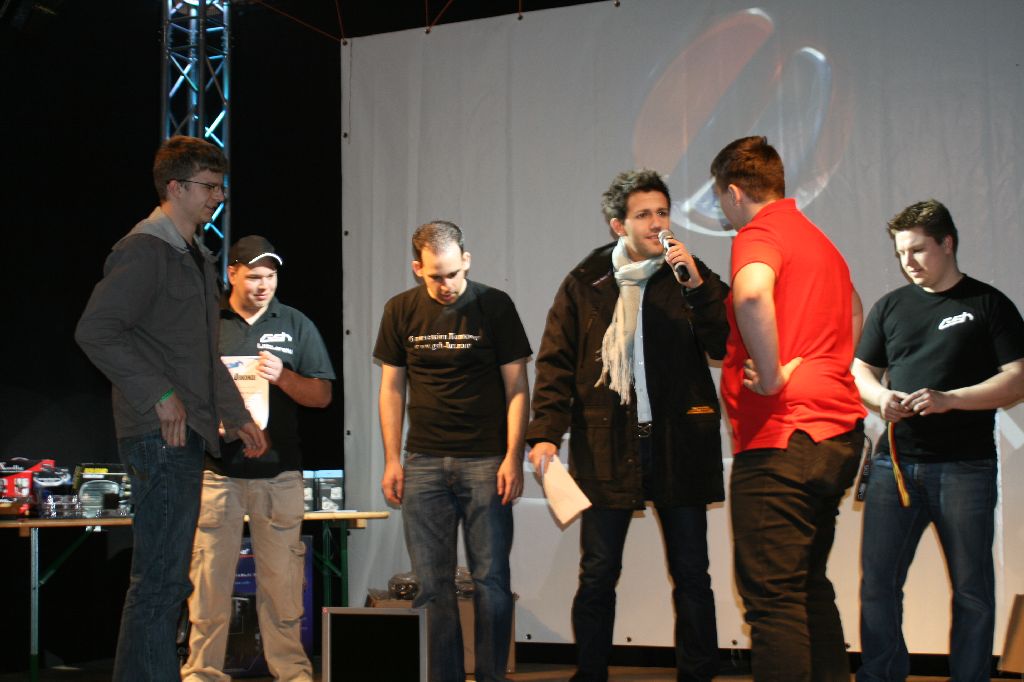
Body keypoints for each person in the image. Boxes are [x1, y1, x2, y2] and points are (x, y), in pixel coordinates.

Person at [75, 135, 267, 682]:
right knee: (160, 580)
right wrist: (158, 394)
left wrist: (239, 416)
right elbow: (96, 331)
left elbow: (202, 356)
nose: (219, 197)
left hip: (186, 438)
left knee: (166, 580)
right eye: (209, 187)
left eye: (221, 187)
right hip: (158, 436)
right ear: (176, 187)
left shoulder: (194, 256)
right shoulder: (145, 250)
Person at [526, 169, 728, 682]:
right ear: (619, 225)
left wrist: (697, 286)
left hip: (678, 441)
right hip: (608, 443)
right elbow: (556, 362)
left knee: (692, 572)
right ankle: (590, 673)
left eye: (663, 212)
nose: (657, 223)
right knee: (598, 572)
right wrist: (544, 432)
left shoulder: (689, 273)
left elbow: (723, 343)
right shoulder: (586, 281)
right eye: (644, 215)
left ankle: (699, 674)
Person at [711, 136, 866, 682]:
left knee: (772, 598)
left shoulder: (759, 234)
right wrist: (823, 363)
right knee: (805, 586)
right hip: (835, 434)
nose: (723, 211)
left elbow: (751, 294)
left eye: (720, 198)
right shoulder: (819, 241)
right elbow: (854, 311)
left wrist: (774, 373)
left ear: (734, 192)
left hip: (783, 438)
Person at [852, 199, 1024, 682]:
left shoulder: (988, 304)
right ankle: (882, 675)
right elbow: (861, 369)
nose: (907, 262)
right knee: (878, 585)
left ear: (947, 243)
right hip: (894, 467)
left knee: (972, 591)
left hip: (965, 468)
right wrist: (880, 397)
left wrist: (952, 399)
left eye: (917, 250)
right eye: (900, 253)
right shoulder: (891, 306)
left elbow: (1017, 379)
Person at [374, 221, 532, 682]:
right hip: (422, 462)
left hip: (485, 461)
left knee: (491, 581)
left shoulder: (494, 305)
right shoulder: (400, 309)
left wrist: (512, 457)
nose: (445, 285)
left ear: (466, 259)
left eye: (452, 274)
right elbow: (391, 390)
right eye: (435, 276)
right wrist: (392, 459)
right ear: (417, 268)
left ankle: (491, 676)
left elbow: (517, 387)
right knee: (432, 586)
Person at [182, 235, 335, 681]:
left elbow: (322, 395)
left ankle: (293, 673)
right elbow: (182, 390)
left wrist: (284, 377)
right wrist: (213, 422)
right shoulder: (208, 321)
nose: (263, 285)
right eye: (253, 277)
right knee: (208, 587)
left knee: (282, 588)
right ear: (231, 274)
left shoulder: (295, 324)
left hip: (278, 474)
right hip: (217, 472)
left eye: (270, 277)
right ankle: (201, 673)